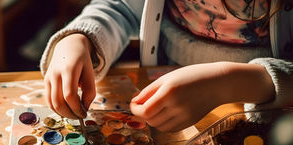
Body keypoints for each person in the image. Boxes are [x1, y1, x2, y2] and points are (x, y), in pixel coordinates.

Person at [40, 0, 293, 132]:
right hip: (169, 106)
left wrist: (228, 83)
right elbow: (122, 7)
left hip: (273, 115)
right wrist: (80, 38)